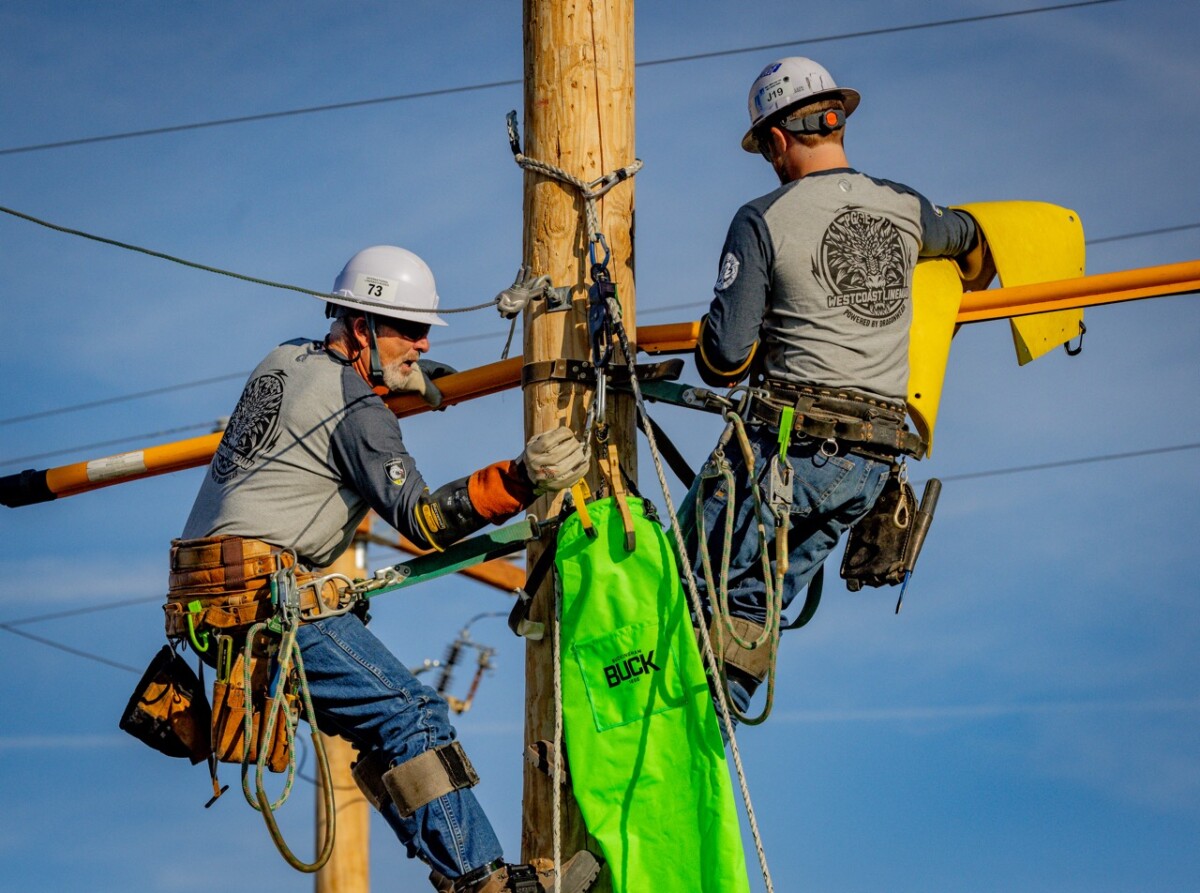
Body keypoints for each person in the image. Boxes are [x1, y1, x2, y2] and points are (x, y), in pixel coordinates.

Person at [172, 245, 598, 893]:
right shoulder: (357, 412)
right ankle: (484, 882)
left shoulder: (285, 358)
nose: (422, 344)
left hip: (209, 602)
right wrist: (519, 479)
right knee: (412, 714)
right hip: (263, 599)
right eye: (408, 329)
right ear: (361, 324)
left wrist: (401, 380)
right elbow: (422, 521)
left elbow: (332, 403)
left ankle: (465, 877)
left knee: (385, 727)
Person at [682, 58, 991, 714]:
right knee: (751, 604)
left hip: (790, 450)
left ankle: (666, 737)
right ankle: (716, 725)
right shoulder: (907, 207)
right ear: (835, 121)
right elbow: (973, 243)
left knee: (676, 577)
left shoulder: (762, 218)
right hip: (871, 466)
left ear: (776, 141)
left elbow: (725, 359)